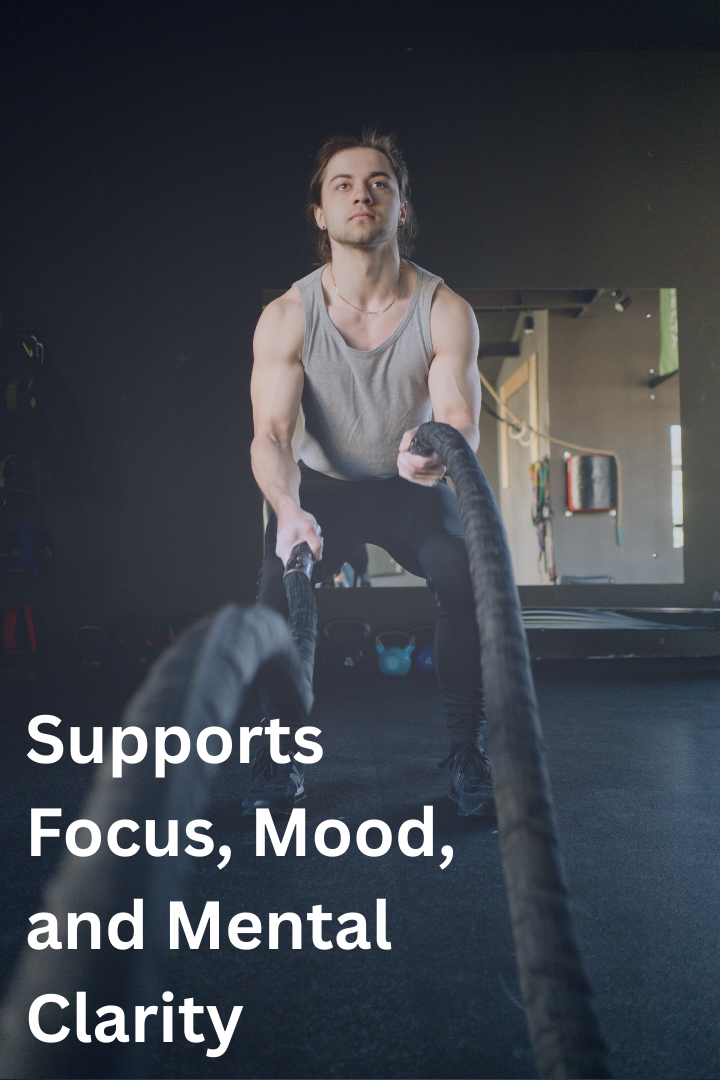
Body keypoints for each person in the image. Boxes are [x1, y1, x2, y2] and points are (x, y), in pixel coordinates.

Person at [246, 130, 494, 817]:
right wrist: (289, 511)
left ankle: (466, 754)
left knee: (462, 571)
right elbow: (270, 435)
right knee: (275, 595)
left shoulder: (445, 309)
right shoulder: (288, 316)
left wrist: (437, 451)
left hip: (408, 485)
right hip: (320, 488)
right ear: (319, 214)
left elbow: (460, 418)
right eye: (343, 184)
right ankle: (279, 762)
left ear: (402, 208)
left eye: (379, 182)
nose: (363, 193)